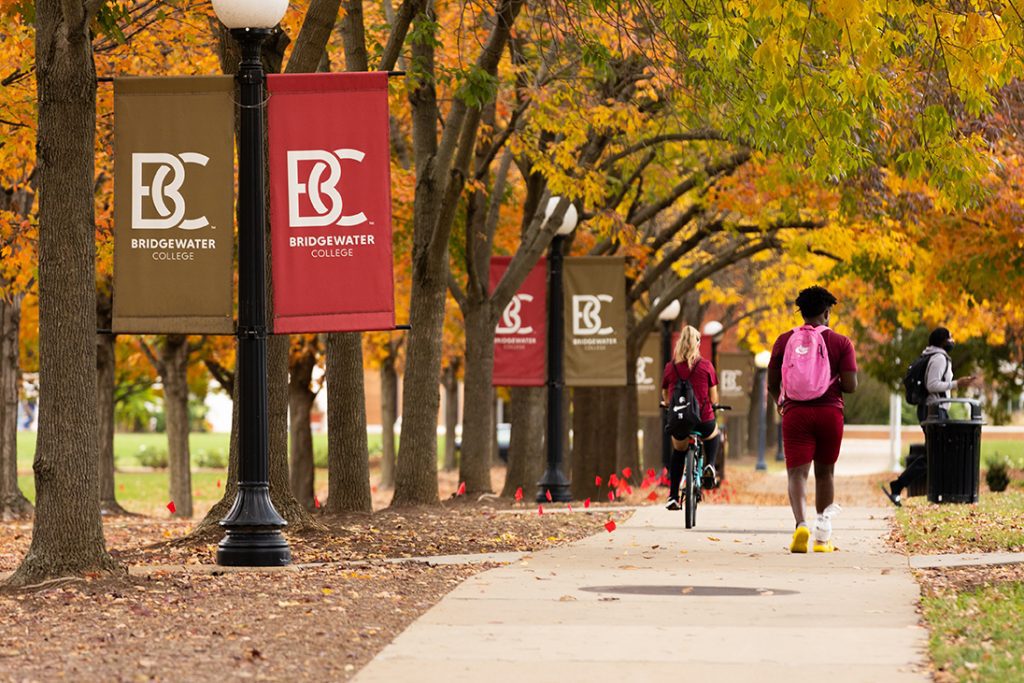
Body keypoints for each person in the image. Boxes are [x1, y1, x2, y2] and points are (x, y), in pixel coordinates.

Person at [767, 286, 858, 553]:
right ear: (827, 313)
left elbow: (772, 383)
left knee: (797, 474)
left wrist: (780, 403)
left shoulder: (784, 341)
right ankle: (822, 536)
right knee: (825, 473)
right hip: (830, 412)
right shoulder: (841, 343)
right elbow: (851, 386)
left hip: (795, 413)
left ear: (802, 313)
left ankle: (801, 525)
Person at [882, 327, 976, 506]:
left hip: (932, 409)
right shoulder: (939, 358)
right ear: (942, 341)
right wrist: (957, 383)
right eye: (950, 337)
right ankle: (904, 486)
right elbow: (932, 384)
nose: (952, 341)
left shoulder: (931, 355)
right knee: (936, 453)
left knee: (935, 452)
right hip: (933, 410)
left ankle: (905, 486)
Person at [661, 325, 721, 510]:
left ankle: (672, 496)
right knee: (714, 433)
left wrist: (668, 405)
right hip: (703, 419)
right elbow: (713, 398)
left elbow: (665, 394)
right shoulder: (706, 366)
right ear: (697, 344)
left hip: (680, 421)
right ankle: (710, 465)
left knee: (678, 452)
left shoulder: (670, 368)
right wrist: (714, 405)